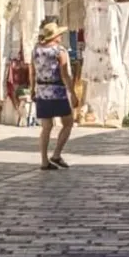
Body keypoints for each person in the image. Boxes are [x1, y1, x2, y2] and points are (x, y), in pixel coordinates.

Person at [28, 22, 78, 170]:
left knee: (46, 127)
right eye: (59, 34)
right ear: (55, 36)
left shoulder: (36, 50)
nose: (61, 36)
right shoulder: (59, 51)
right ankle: (56, 154)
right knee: (68, 123)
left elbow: (32, 71)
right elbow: (65, 74)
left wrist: (32, 89)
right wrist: (73, 93)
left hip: (42, 91)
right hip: (57, 91)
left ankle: (44, 160)